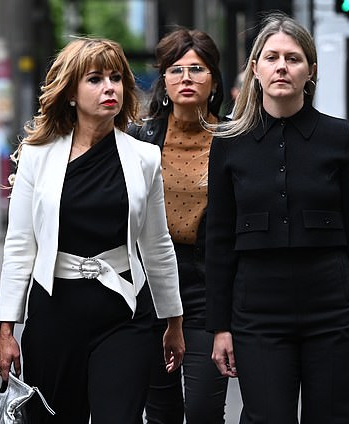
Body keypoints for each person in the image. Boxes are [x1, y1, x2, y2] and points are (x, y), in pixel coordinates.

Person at [205, 12, 349, 424]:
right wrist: (220, 327)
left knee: (334, 417)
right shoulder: (228, 144)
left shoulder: (341, 137)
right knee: (266, 417)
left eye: (292, 58)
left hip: (335, 310)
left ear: (310, 71)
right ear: (255, 69)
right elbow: (218, 241)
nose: (281, 66)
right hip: (257, 312)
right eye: (271, 57)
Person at [0, 37, 185, 424]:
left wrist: (174, 320)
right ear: (70, 93)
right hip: (54, 313)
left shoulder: (144, 158)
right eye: (95, 79)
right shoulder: (37, 156)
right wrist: (6, 328)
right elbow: (20, 245)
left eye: (116, 78)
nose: (109, 88)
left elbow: (158, 244)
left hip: (124, 313)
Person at [127, 28, 228, 424]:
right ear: (164, 81)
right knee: (161, 411)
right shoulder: (140, 138)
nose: (186, 77)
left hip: (208, 284)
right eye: (176, 69)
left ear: (214, 80)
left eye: (197, 69)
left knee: (204, 409)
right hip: (150, 286)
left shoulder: (236, 138)